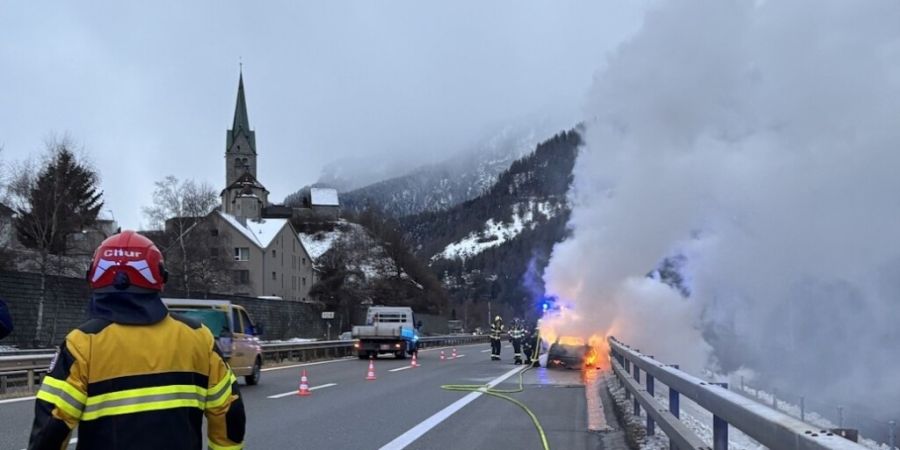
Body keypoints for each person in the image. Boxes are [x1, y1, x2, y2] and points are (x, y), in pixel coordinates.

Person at [28, 231, 246, 450]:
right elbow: (229, 411)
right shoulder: (198, 337)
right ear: (160, 278)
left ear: (94, 277)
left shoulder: (83, 344)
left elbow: (51, 427)